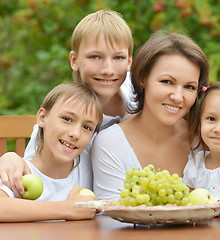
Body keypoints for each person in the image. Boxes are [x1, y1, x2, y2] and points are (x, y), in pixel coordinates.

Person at [0, 9, 134, 198]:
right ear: (74, 60)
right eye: (95, 57)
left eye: (118, 58)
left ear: (129, 62)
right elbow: (36, 172)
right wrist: (10, 158)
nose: (107, 69)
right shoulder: (66, 117)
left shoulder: (140, 98)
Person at [91, 32, 209, 200]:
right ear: (142, 78)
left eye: (189, 87)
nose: (177, 97)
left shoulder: (204, 140)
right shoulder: (110, 143)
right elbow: (110, 216)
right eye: (167, 82)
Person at [0, 82, 103, 222]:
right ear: (42, 118)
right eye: (67, 119)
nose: (75, 134)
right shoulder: (20, 172)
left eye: (87, 127)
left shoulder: (88, 165)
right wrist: (68, 208)